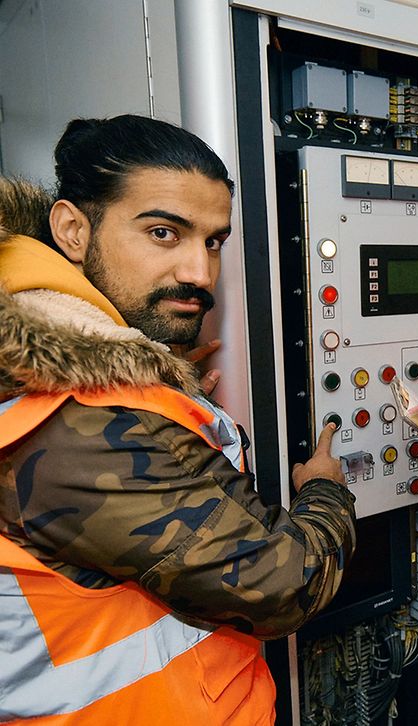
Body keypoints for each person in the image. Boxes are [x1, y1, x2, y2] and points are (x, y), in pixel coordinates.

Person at [0, 116, 356, 724]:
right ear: (71, 230)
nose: (200, 272)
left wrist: (166, 393)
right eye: (164, 232)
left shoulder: (98, 390)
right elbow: (283, 584)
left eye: (214, 241)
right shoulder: (74, 427)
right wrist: (326, 492)